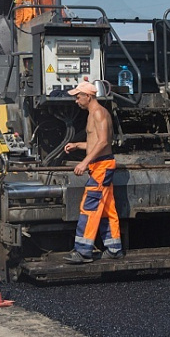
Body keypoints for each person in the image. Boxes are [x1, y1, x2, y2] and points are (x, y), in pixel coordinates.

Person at [63, 81, 123, 263]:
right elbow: (96, 142)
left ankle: (83, 250)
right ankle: (114, 249)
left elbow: (104, 142)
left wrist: (84, 162)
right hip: (100, 165)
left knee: (89, 207)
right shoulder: (93, 114)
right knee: (106, 209)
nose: (76, 100)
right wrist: (78, 145)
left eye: (78, 96)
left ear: (88, 97)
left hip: (101, 167)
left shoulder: (98, 113)